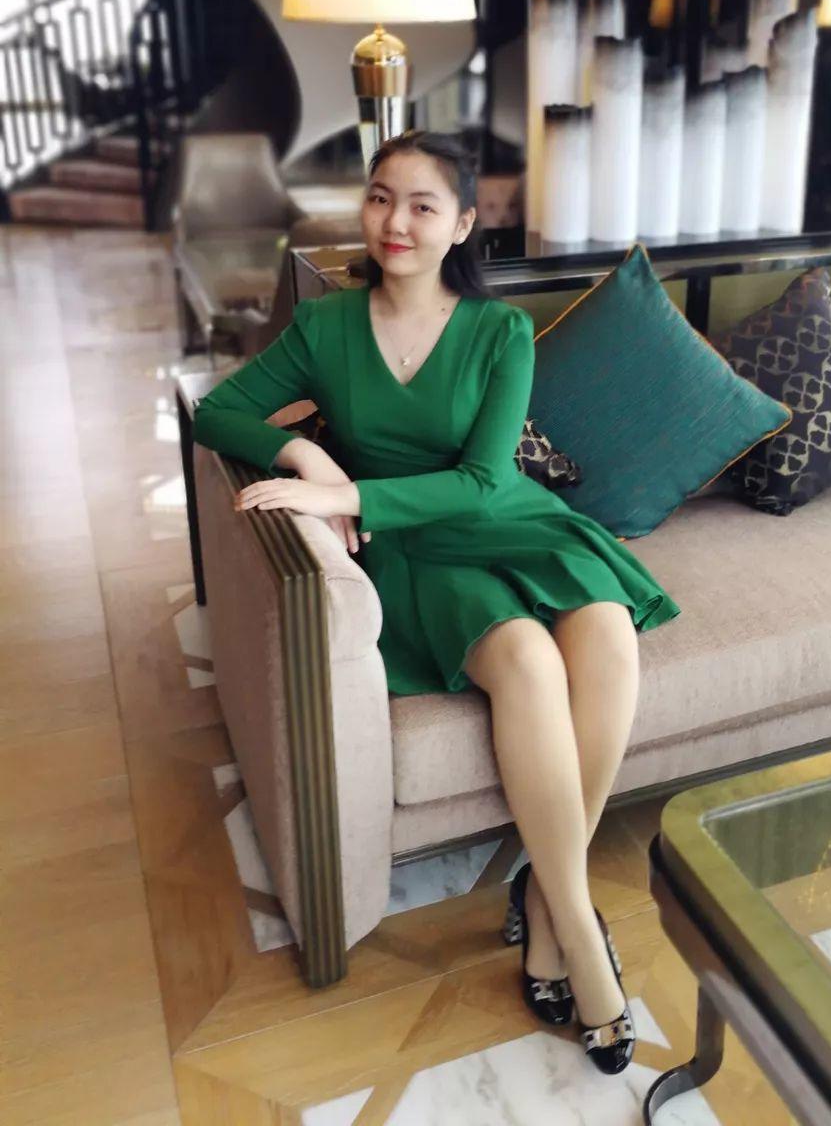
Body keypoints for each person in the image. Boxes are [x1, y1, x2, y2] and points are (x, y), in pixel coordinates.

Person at [191, 129, 681, 1075]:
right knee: (527, 660)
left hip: (507, 517)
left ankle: (550, 906)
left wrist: (347, 494)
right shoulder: (327, 327)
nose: (396, 221)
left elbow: (486, 479)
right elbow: (218, 411)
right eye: (381, 197)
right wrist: (307, 453)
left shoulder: (500, 332)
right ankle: (580, 937)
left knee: (610, 633)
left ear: (461, 224)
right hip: (415, 546)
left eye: (423, 205)